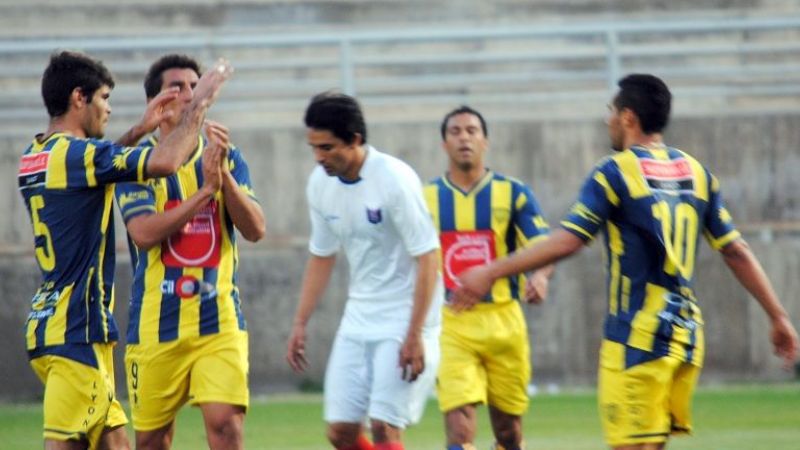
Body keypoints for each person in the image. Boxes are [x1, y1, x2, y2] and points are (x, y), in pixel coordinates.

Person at [454, 74, 800, 450]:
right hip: (685, 338)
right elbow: (736, 251)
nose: (608, 120)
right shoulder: (697, 173)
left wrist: (490, 271)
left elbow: (570, 239)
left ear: (628, 117)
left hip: (637, 339)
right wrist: (778, 316)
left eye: (611, 112)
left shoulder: (615, 171)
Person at [18, 50, 231, 450]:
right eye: (103, 98)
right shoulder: (79, 155)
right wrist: (199, 104)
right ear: (79, 98)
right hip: (76, 330)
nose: (109, 109)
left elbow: (93, 168)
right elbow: (166, 161)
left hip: (53, 325)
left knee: (117, 444)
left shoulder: (36, 156)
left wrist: (137, 130)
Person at [113, 54, 265, 450]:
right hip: (154, 326)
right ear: (156, 102)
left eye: (195, 86)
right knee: (152, 442)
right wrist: (203, 194)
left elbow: (255, 229)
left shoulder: (226, 155)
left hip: (218, 320)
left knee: (226, 427)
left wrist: (223, 176)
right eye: (177, 86)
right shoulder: (136, 163)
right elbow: (144, 233)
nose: (189, 94)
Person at [285, 92, 443, 450]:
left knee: (385, 426)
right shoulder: (319, 184)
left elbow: (428, 256)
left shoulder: (394, 178)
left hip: (405, 317)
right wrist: (299, 322)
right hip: (359, 317)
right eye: (314, 148)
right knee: (340, 433)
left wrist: (415, 333)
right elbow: (322, 255)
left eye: (327, 147)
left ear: (355, 139)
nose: (318, 157)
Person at [423, 106, 553, 450]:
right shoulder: (426, 198)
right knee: (459, 426)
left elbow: (544, 247)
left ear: (485, 141)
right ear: (444, 144)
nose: (464, 138)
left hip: (504, 321)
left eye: (472, 131)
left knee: (509, 431)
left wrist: (540, 276)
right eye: (455, 132)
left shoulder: (514, 193)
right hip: (452, 322)